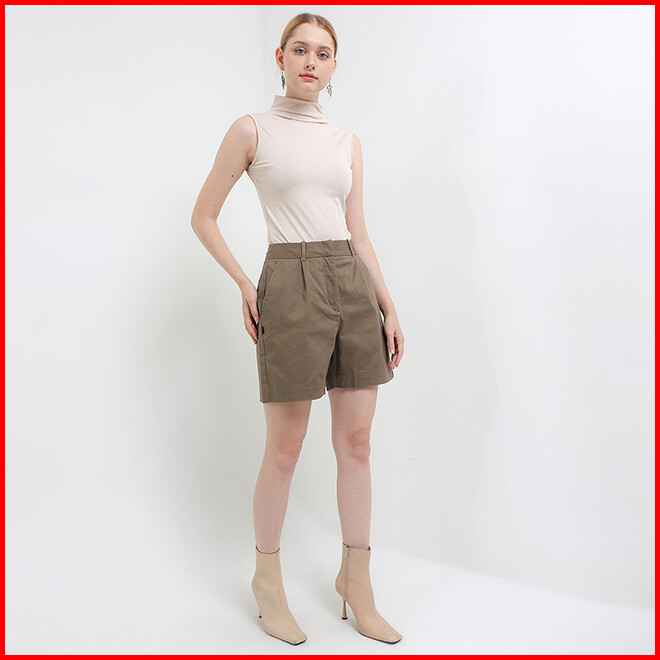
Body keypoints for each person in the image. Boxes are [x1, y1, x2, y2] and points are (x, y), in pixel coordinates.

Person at [191, 13, 404, 645]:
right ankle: (267, 580)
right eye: (301, 50)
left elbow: (358, 232)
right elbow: (203, 216)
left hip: (351, 283)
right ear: (281, 57)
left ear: (334, 66)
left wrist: (388, 305)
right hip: (289, 280)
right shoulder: (251, 130)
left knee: (357, 443)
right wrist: (245, 283)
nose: (312, 62)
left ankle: (356, 580)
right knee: (285, 449)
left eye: (324, 53)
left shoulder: (346, 141)